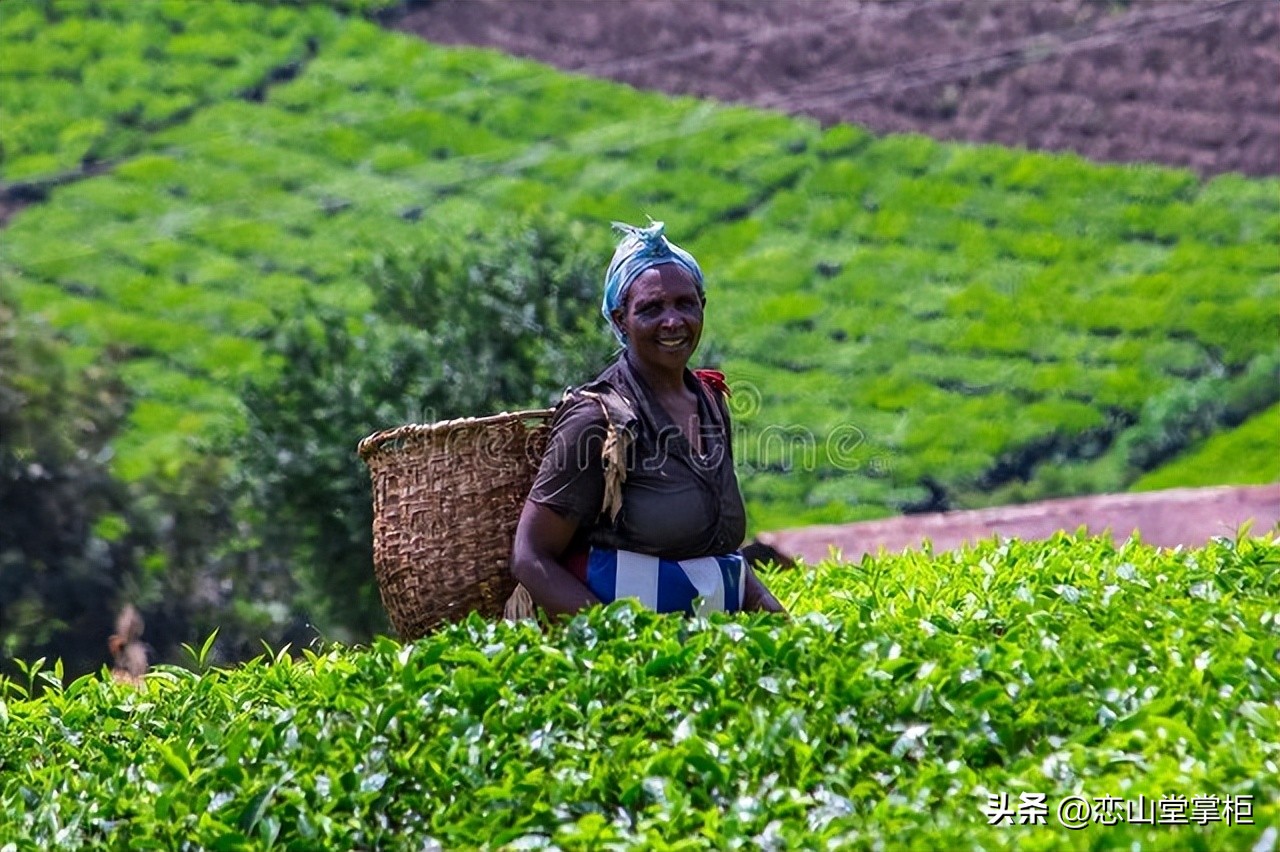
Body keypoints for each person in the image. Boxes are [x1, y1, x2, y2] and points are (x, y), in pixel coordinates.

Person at [510, 220, 785, 618]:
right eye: (651, 309)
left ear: (702, 306)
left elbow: (718, 556)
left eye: (685, 304)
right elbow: (530, 557)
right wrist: (620, 640)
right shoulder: (597, 421)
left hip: (707, 640)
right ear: (621, 320)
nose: (672, 322)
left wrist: (781, 623)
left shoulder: (710, 401)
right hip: (633, 653)